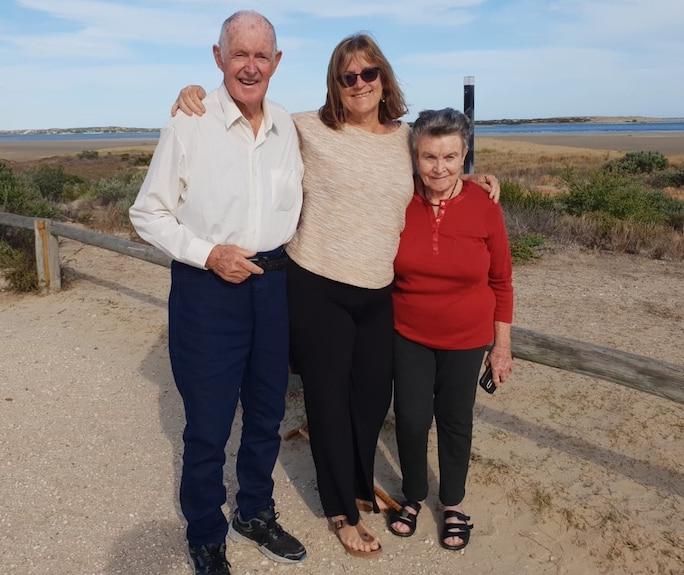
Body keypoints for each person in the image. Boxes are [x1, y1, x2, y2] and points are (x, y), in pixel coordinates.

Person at [172, 33, 499, 558]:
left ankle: (356, 480)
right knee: (326, 402)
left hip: (377, 290)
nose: (359, 84)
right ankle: (342, 511)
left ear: (384, 78)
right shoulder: (304, 127)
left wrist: (473, 179)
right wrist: (198, 95)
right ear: (335, 84)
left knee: (371, 401)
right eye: (347, 77)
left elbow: (438, 172)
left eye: (369, 74)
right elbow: (247, 108)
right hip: (316, 283)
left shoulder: (406, 138)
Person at [129, 11, 307, 575]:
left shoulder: (288, 126)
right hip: (208, 291)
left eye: (262, 56)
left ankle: (254, 510)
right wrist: (210, 254)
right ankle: (205, 530)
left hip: (274, 287)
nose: (250, 66)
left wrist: (464, 178)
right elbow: (147, 213)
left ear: (277, 63)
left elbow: (370, 146)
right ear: (218, 57)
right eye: (239, 54)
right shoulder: (189, 122)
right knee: (207, 423)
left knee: (264, 412)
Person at [388, 108, 514, 551]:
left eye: (450, 156)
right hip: (408, 333)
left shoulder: (485, 206)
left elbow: (501, 281)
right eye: (428, 157)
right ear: (414, 157)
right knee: (410, 419)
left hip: (466, 339)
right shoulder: (399, 197)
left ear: (464, 156)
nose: (438, 168)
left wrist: (501, 347)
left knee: (455, 421)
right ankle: (414, 495)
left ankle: (454, 504)